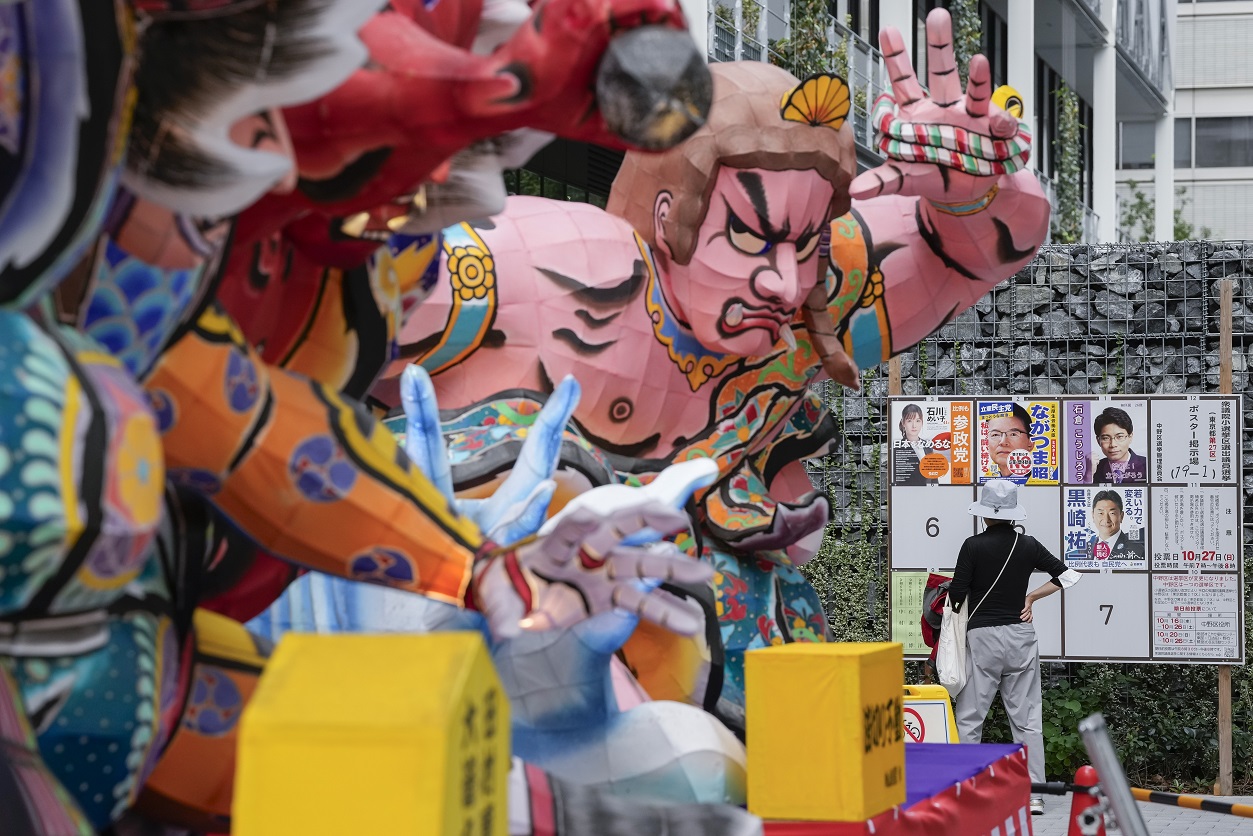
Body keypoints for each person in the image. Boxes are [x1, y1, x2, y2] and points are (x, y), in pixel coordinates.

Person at [949, 480, 1081, 816]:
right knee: (1027, 720)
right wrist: (1031, 597)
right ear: (1012, 514)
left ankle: (967, 791)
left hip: (983, 638)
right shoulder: (1028, 545)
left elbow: (957, 596)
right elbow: (1067, 575)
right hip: (1021, 636)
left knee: (969, 718)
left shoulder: (972, 546)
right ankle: (1034, 794)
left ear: (985, 514)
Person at [1092, 407, 1147, 484]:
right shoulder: (1094, 469)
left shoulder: (1147, 466)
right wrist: (1088, 475)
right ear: (1098, 441)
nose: (1113, 444)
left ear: (1130, 437)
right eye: (1106, 438)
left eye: (1119, 437)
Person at [1087, 490, 1145, 561]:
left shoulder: (1137, 550)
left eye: (1112, 513)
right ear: (1093, 515)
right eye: (1100, 513)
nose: (1106, 520)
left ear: (1121, 516)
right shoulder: (1084, 549)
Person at [893, 403, 930, 485]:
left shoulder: (928, 445)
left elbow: (934, 476)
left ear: (922, 422)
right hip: (908, 494)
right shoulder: (898, 448)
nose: (914, 425)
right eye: (909, 421)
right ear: (903, 423)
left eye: (918, 421)